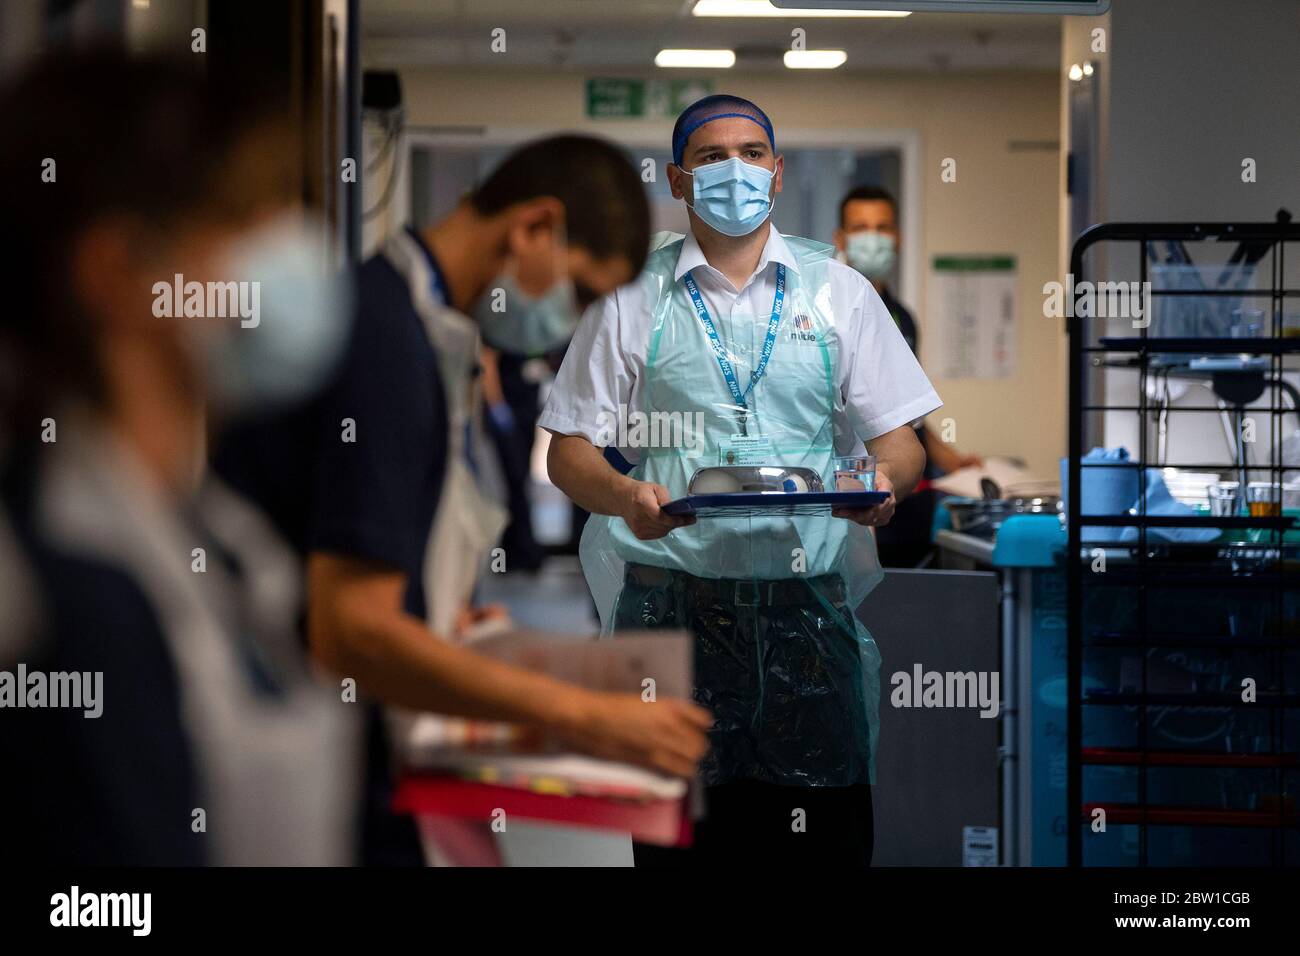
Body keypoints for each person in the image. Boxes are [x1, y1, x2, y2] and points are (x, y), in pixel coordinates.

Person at [212, 134, 711, 864]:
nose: (571, 319)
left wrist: (433, 610)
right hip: (309, 755)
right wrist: (588, 718)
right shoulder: (386, 341)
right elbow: (353, 630)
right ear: (534, 227)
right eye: (579, 291)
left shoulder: (427, 332)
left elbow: (361, 556)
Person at [542, 95, 942, 866]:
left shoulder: (839, 293)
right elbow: (569, 452)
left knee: (823, 837)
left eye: (753, 153)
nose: (736, 170)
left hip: (809, 614)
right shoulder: (632, 296)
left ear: (779, 172)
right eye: (712, 156)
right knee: (683, 844)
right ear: (679, 180)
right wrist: (627, 496)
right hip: (672, 611)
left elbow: (904, 443)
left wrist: (881, 484)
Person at [0, 52, 358, 865]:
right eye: (248, 219)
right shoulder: (53, 585)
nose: (295, 252)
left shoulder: (212, 529)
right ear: (118, 271)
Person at [834, 185, 982, 567]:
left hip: (905, 491)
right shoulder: (826, 311)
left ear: (897, 237)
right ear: (840, 238)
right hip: (852, 484)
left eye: (882, 227)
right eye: (861, 227)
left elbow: (901, 411)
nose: (873, 237)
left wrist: (952, 460)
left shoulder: (902, 317)